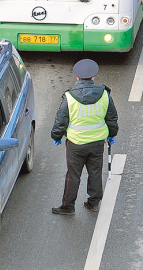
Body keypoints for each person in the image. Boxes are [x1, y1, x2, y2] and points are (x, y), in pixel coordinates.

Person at [51, 59, 119, 215]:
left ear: (76, 77)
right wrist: (112, 135)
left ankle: (68, 207)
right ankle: (94, 202)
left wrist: (56, 136)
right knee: (95, 172)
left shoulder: (69, 97)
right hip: (97, 143)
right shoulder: (104, 95)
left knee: (73, 176)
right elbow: (112, 118)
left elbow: (61, 120)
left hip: (75, 144)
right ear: (93, 77)